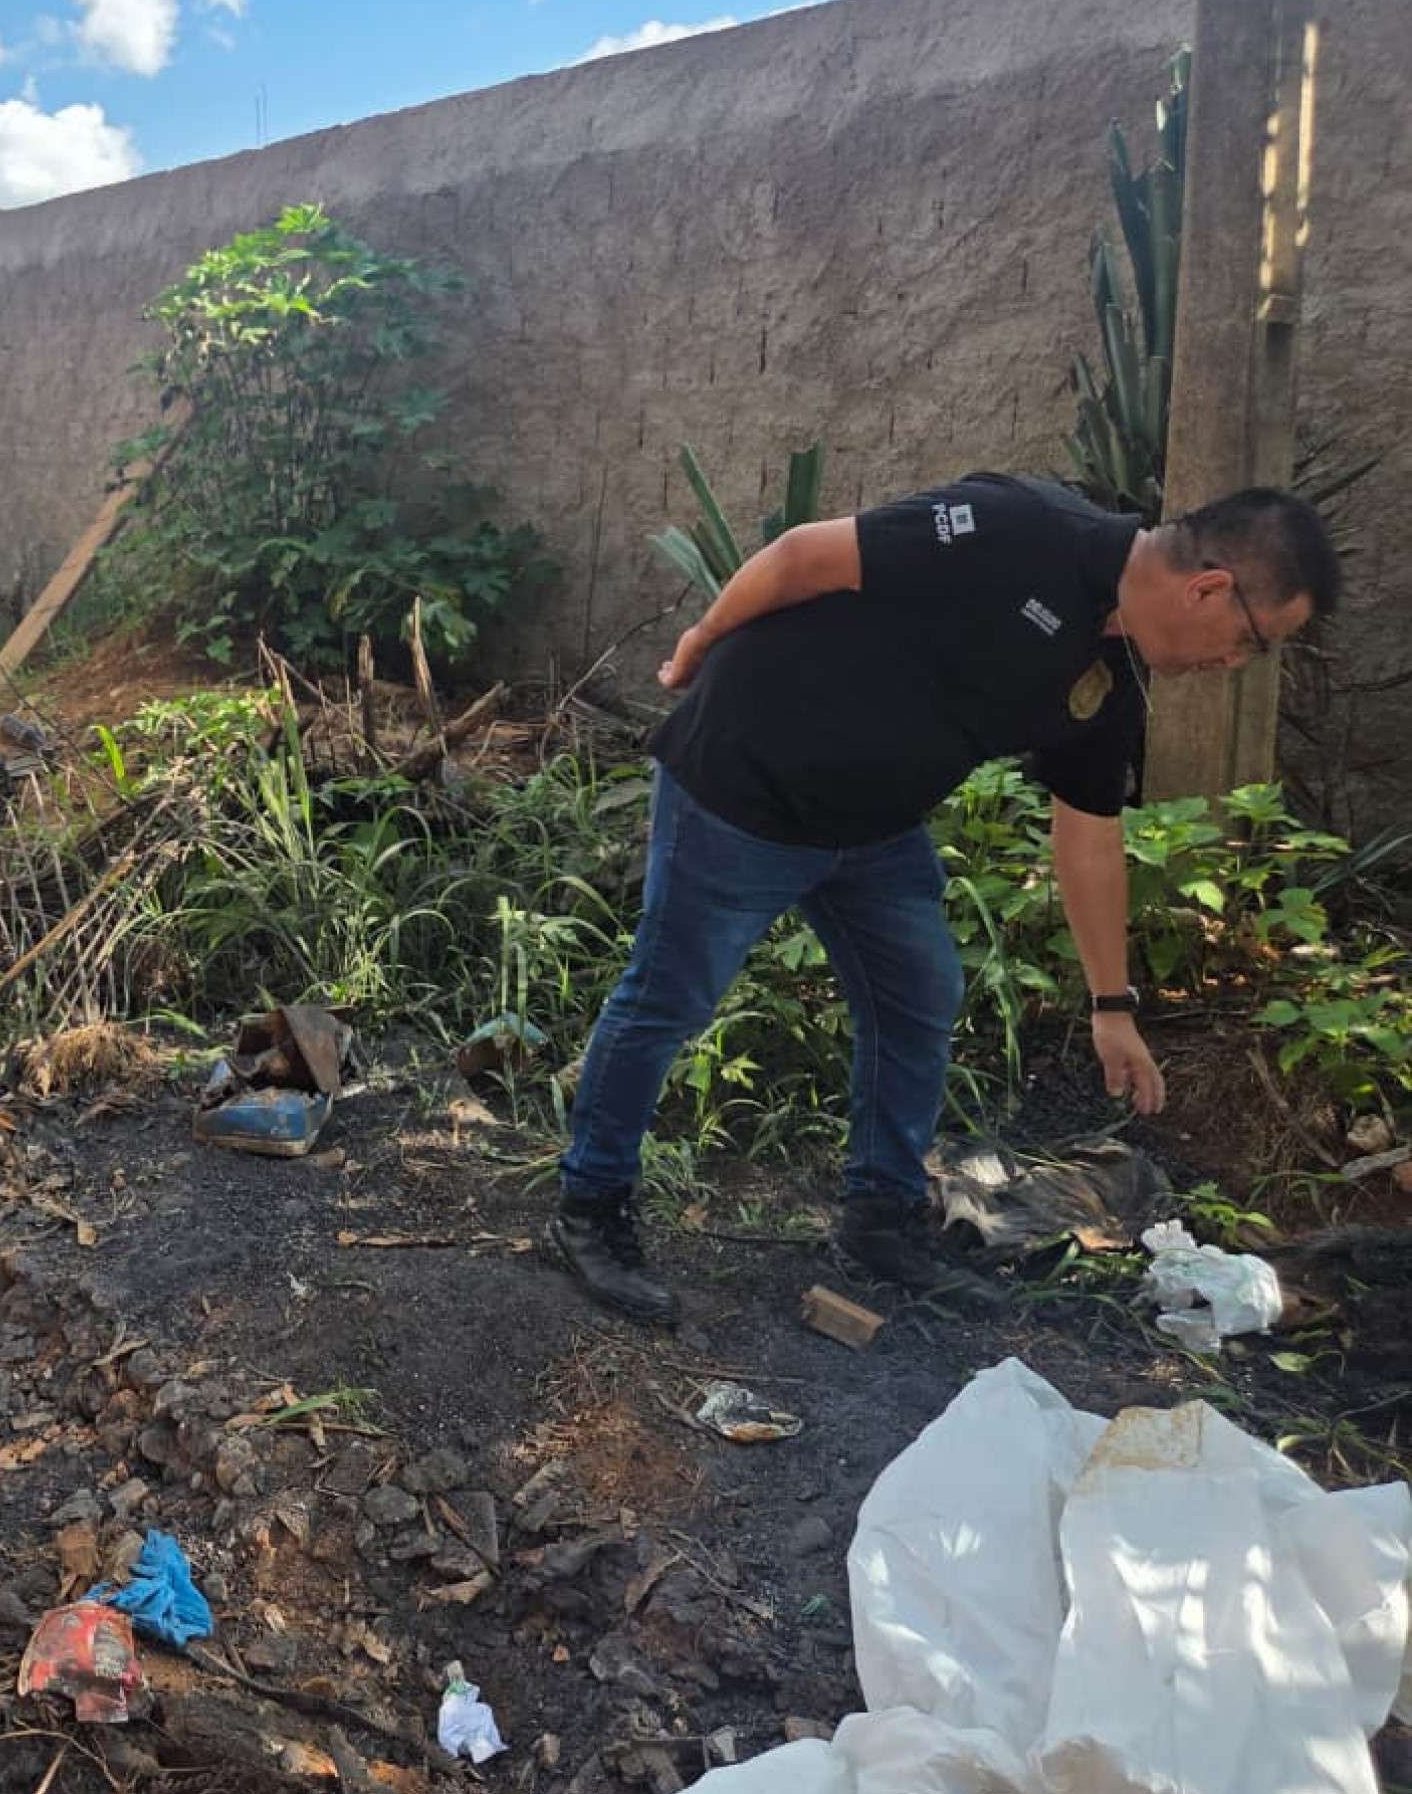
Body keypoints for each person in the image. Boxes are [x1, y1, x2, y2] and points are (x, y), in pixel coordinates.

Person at [549, 472, 1341, 1323]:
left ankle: (879, 1220)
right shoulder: (1021, 530)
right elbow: (806, 553)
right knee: (669, 997)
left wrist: (1113, 1005)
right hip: (746, 784)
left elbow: (1089, 833)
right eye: (1251, 643)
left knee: (920, 994)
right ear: (1209, 588)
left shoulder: (1116, 674)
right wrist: (701, 641)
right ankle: (591, 1207)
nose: (1232, 666)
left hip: (876, 828)